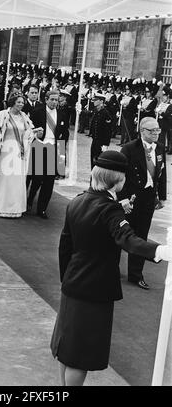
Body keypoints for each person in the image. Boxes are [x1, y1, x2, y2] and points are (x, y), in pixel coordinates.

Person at [50, 150, 172, 386]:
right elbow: (129, 239)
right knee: (80, 355)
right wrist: (161, 251)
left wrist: (66, 279)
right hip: (95, 289)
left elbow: (65, 246)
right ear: (117, 179)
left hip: (73, 283)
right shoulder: (110, 209)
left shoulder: (77, 201)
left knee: (66, 348)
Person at [118, 117, 167, 289]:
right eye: (152, 131)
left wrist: (161, 196)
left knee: (141, 236)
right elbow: (120, 175)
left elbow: (162, 173)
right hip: (130, 198)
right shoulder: (129, 148)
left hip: (147, 199)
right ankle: (111, 269)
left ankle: (135, 274)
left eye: (158, 130)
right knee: (120, 234)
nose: (155, 133)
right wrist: (122, 198)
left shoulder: (160, 148)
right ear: (142, 131)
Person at [0, 94, 42, 218]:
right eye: (18, 102)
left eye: (22, 103)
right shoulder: (3, 115)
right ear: (12, 102)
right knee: (3, 179)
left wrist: (35, 134)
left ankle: (14, 208)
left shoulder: (24, 118)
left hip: (18, 152)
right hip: (5, 151)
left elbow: (27, 134)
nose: (21, 105)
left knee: (16, 180)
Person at [27, 90, 69, 218]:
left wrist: (62, 156)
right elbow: (29, 130)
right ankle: (29, 200)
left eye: (56, 100)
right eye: (52, 99)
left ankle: (42, 209)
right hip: (40, 147)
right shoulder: (37, 112)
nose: (54, 102)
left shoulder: (62, 114)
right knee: (37, 178)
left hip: (54, 149)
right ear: (46, 99)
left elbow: (65, 133)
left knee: (49, 181)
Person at [88, 92, 112, 169]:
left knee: (99, 163)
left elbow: (108, 131)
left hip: (101, 142)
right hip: (94, 140)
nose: (94, 101)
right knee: (93, 160)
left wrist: (106, 144)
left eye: (96, 100)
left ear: (101, 101)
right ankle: (93, 178)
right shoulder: (96, 111)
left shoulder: (105, 113)